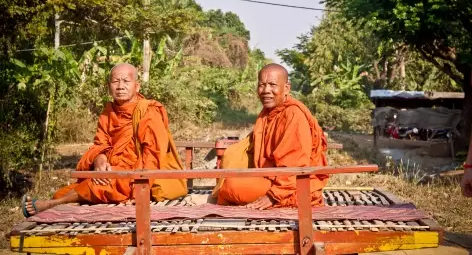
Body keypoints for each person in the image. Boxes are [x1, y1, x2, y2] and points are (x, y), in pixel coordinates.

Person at [22, 63, 187, 217]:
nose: (120, 86)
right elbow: (100, 144)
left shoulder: (148, 112)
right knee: (66, 191)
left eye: (126, 81)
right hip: (110, 172)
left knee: (92, 186)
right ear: (109, 86)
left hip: (136, 176)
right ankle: (58, 201)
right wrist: (99, 160)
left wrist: (139, 190)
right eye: (115, 81)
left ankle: (51, 204)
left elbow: (152, 156)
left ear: (137, 86)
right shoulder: (108, 112)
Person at [213, 63, 328, 210]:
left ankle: (281, 200)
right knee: (228, 178)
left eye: (272, 85)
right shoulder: (268, 113)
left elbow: (295, 165)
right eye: (262, 85)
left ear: (286, 88)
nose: (266, 90)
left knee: (232, 186)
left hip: (292, 186)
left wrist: (272, 196)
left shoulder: (294, 115)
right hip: (270, 177)